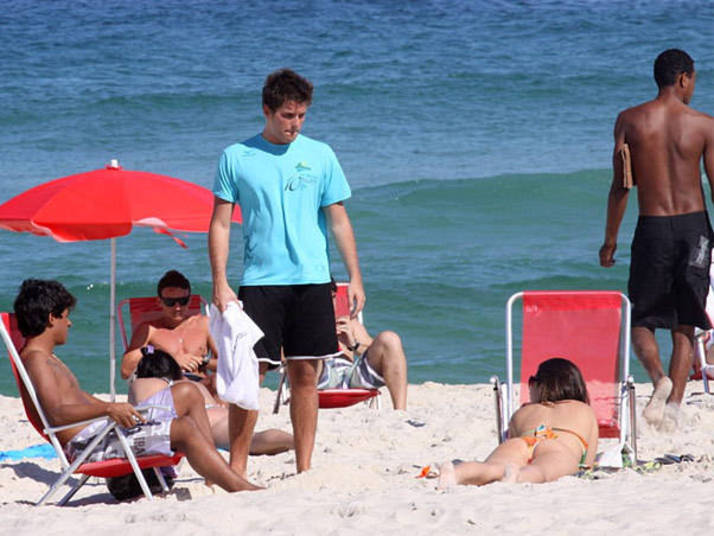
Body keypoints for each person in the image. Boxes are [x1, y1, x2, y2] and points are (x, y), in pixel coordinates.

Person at [209, 68, 365, 475]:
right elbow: (221, 224)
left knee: (305, 376)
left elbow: (339, 219)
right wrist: (220, 282)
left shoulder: (321, 154)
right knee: (249, 379)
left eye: (301, 116)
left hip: (312, 280)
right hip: (260, 282)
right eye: (287, 116)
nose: (294, 124)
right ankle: (237, 467)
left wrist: (356, 276)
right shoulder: (236, 156)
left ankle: (304, 467)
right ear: (267, 110)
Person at [13, 279, 260, 493]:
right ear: (51, 317)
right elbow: (57, 413)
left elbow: (76, 398)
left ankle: (213, 474)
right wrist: (108, 410)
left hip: (104, 430)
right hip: (91, 445)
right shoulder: (37, 361)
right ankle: (239, 487)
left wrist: (115, 408)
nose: (69, 324)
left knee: (187, 392)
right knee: (184, 427)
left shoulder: (46, 358)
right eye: (66, 317)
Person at [599, 49, 714, 430]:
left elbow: (621, 185)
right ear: (683, 78)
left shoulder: (629, 120)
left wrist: (610, 240)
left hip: (652, 226)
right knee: (686, 322)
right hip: (694, 229)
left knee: (643, 320)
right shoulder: (704, 125)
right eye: (694, 79)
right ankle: (674, 407)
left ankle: (659, 379)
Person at [121, 269, 293, 455]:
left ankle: (297, 442)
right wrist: (171, 359)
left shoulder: (203, 324)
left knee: (243, 434)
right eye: (171, 302)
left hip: (200, 388)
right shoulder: (150, 330)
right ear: (159, 302)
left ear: (190, 299)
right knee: (231, 434)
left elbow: (226, 363)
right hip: (165, 390)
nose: (178, 307)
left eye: (183, 301)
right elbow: (126, 369)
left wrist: (203, 362)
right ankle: (295, 443)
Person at [437, 358, 597, 488]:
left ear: (540, 386)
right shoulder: (584, 410)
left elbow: (512, 438)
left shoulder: (522, 412)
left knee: (493, 467)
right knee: (542, 470)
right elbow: (587, 462)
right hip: (557, 447)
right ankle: (519, 476)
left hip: (521, 443)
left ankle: (456, 473)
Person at [317, 280, 407, 410]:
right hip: (320, 376)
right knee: (305, 351)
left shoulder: (348, 322)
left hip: (352, 376)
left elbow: (380, 355)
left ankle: (400, 413)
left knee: (390, 339)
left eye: (333, 297)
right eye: (325, 298)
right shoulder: (301, 324)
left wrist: (353, 344)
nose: (331, 303)